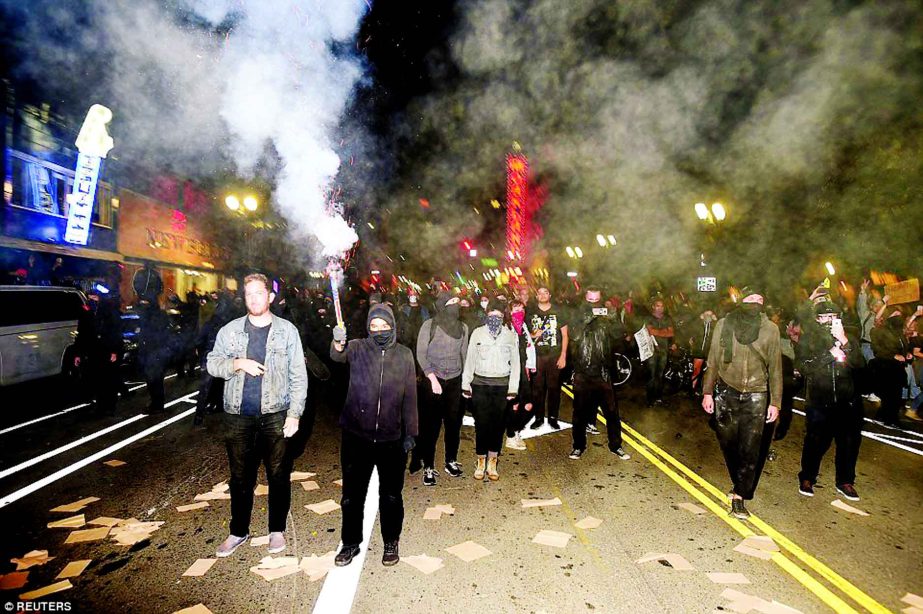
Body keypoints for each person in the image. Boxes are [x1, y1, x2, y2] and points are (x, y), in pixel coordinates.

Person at [207, 273, 308, 558]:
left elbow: (298, 376)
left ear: (270, 297)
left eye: (259, 293)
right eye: (248, 293)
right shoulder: (230, 331)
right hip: (238, 414)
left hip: (276, 412)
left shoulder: (287, 331)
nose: (253, 298)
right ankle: (238, 531)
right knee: (240, 478)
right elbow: (212, 363)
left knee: (278, 473)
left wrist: (294, 414)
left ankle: (276, 529)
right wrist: (237, 363)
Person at [330, 303, 417, 567]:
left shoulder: (404, 355)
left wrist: (410, 433)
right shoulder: (357, 348)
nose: (379, 330)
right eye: (374, 326)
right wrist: (337, 340)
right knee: (352, 495)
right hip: (357, 436)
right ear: (368, 328)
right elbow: (337, 356)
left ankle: (391, 540)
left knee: (391, 495)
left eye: (384, 325)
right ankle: (350, 543)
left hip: (392, 438)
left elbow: (411, 396)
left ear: (392, 326)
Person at [702, 287, 782, 519]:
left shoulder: (770, 329)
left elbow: (776, 368)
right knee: (728, 442)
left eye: (760, 299)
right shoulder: (724, 325)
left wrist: (775, 402)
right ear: (741, 301)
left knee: (751, 447)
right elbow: (713, 359)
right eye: (751, 298)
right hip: (727, 390)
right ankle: (739, 480)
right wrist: (707, 392)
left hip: (757, 393)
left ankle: (740, 495)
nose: (755, 302)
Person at [796, 302, 864, 501]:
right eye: (825, 317)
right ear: (817, 319)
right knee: (815, 441)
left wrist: (844, 341)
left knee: (849, 442)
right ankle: (807, 477)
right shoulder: (809, 339)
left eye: (833, 316)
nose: (830, 321)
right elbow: (803, 366)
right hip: (819, 399)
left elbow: (860, 365)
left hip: (847, 400)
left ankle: (845, 481)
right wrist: (829, 355)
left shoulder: (849, 337)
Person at [567, 287, 631, 461]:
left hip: (603, 371)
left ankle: (616, 446)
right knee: (579, 413)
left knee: (611, 411)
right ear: (585, 298)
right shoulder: (578, 313)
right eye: (590, 299)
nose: (593, 303)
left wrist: (613, 318)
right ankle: (578, 446)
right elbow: (573, 335)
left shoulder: (606, 314)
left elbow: (619, 333)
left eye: (596, 300)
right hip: (582, 370)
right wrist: (586, 319)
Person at [413, 291, 468, 485]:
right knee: (431, 426)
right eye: (452, 302)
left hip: (454, 381)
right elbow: (421, 353)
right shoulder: (429, 325)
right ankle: (428, 465)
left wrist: (466, 382)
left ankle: (450, 460)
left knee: (453, 424)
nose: (456, 306)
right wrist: (432, 378)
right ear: (443, 305)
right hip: (432, 380)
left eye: (457, 303)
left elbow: (465, 354)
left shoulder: (463, 327)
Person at [462, 299, 520, 481]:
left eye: (499, 316)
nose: (495, 319)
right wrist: (466, 384)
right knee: (481, 425)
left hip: (501, 386)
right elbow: (470, 359)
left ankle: (493, 462)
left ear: (503, 317)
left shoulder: (510, 336)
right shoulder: (477, 334)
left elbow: (516, 364)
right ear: (486, 316)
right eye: (491, 316)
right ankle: (480, 461)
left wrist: (513, 388)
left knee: (497, 426)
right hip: (480, 385)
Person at [75, 287, 123, 415]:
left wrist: (114, 350)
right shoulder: (86, 311)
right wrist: (78, 353)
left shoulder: (108, 311)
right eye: (89, 298)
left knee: (108, 379)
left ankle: (110, 406)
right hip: (92, 350)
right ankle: (101, 406)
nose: (92, 300)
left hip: (106, 349)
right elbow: (82, 333)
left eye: (94, 298)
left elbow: (115, 331)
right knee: (96, 379)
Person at [526, 285, 568, 429]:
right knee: (537, 388)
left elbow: (565, 335)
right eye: (540, 293)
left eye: (546, 293)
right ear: (536, 296)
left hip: (554, 355)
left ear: (550, 295)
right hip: (537, 356)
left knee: (554, 388)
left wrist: (563, 355)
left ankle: (552, 418)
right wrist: (533, 335)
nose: (543, 295)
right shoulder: (530, 312)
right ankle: (538, 418)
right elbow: (524, 334)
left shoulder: (559, 311)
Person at [193, 292, 236, 426]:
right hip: (223, 357)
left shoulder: (210, 323)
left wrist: (201, 356)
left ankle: (199, 416)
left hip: (211, 356)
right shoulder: (230, 325)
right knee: (223, 383)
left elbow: (199, 340)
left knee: (205, 387)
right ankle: (220, 408)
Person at [506, 300, 536, 450]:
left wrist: (530, 366)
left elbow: (529, 348)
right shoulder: (506, 327)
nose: (519, 311)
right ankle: (511, 436)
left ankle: (516, 429)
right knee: (515, 405)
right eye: (516, 308)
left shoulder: (523, 327)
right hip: (511, 370)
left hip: (523, 369)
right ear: (509, 311)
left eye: (522, 308)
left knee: (529, 405)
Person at [645, 298, 675, 406]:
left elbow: (671, 333)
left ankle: (658, 397)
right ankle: (650, 399)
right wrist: (664, 332)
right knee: (651, 375)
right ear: (653, 306)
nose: (660, 308)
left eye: (662, 306)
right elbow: (650, 331)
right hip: (651, 351)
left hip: (664, 350)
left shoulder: (667, 318)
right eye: (658, 306)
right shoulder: (648, 318)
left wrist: (657, 332)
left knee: (660, 375)